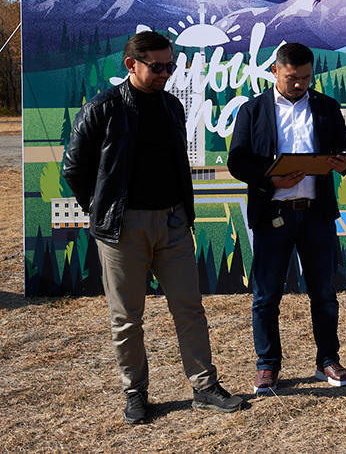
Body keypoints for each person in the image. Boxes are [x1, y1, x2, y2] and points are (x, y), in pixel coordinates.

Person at [62, 31, 244, 424]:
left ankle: (204, 387)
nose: (166, 73)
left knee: (189, 308)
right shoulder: (102, 109)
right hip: (122, 228)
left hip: (172, 221)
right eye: (158, 66)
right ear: (131, 65)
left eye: (171, 66)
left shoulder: (171, 106)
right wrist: (100, 210)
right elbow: (73, 168)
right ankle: (136, 393)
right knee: (127, 317)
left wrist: (181, 211)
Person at [228, 42, 346, 395]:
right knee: (267, 295)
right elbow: (237, 161)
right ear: (274, 72)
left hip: (316, 216)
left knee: (324, 293)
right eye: (292, 78)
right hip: (273, 215)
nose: (300, 84)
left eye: (305, 77)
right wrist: (270, 178)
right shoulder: (253, 110)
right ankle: (267, 367)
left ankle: (327, 360)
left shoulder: (326, 107)